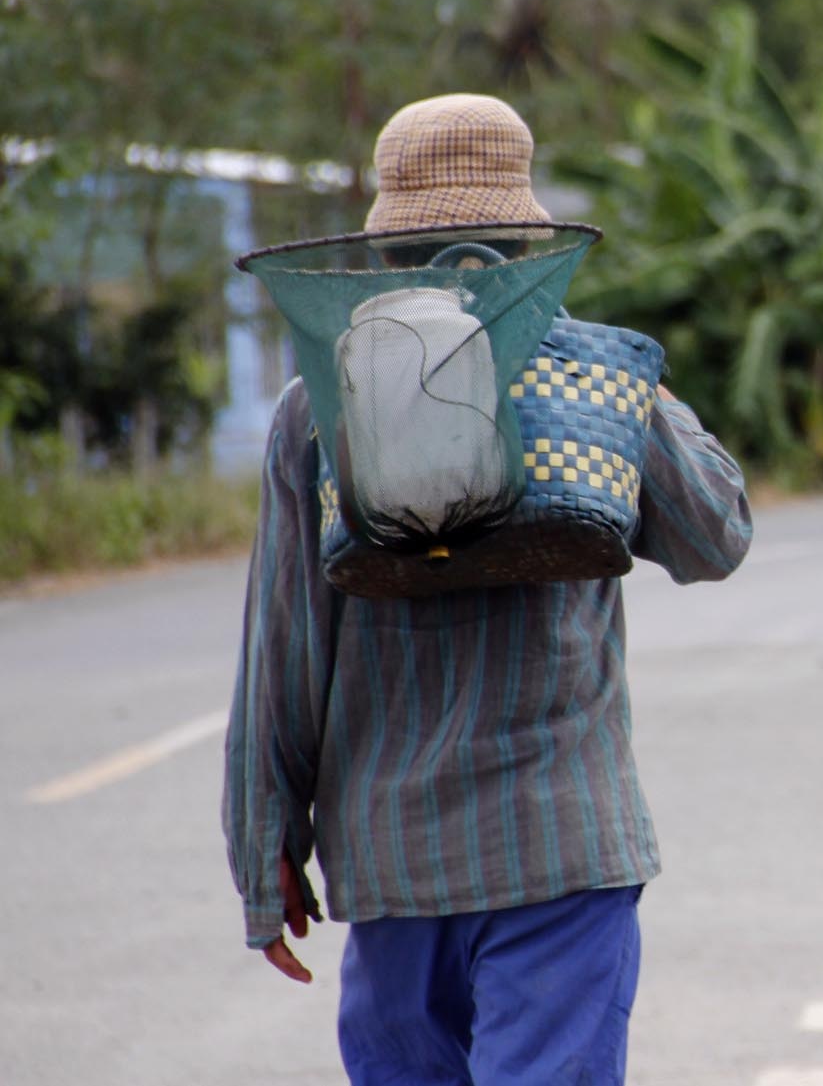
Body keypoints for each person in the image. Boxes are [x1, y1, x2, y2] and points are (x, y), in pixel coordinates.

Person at [222, 93, 752, 1084]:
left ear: (383, 248)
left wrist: (266, 854)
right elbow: (717, 536)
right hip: (563, 849)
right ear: (525, 237)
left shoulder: (315, 406)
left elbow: (283, 652)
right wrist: (646, 392)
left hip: (392, 862)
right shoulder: (592, 383)